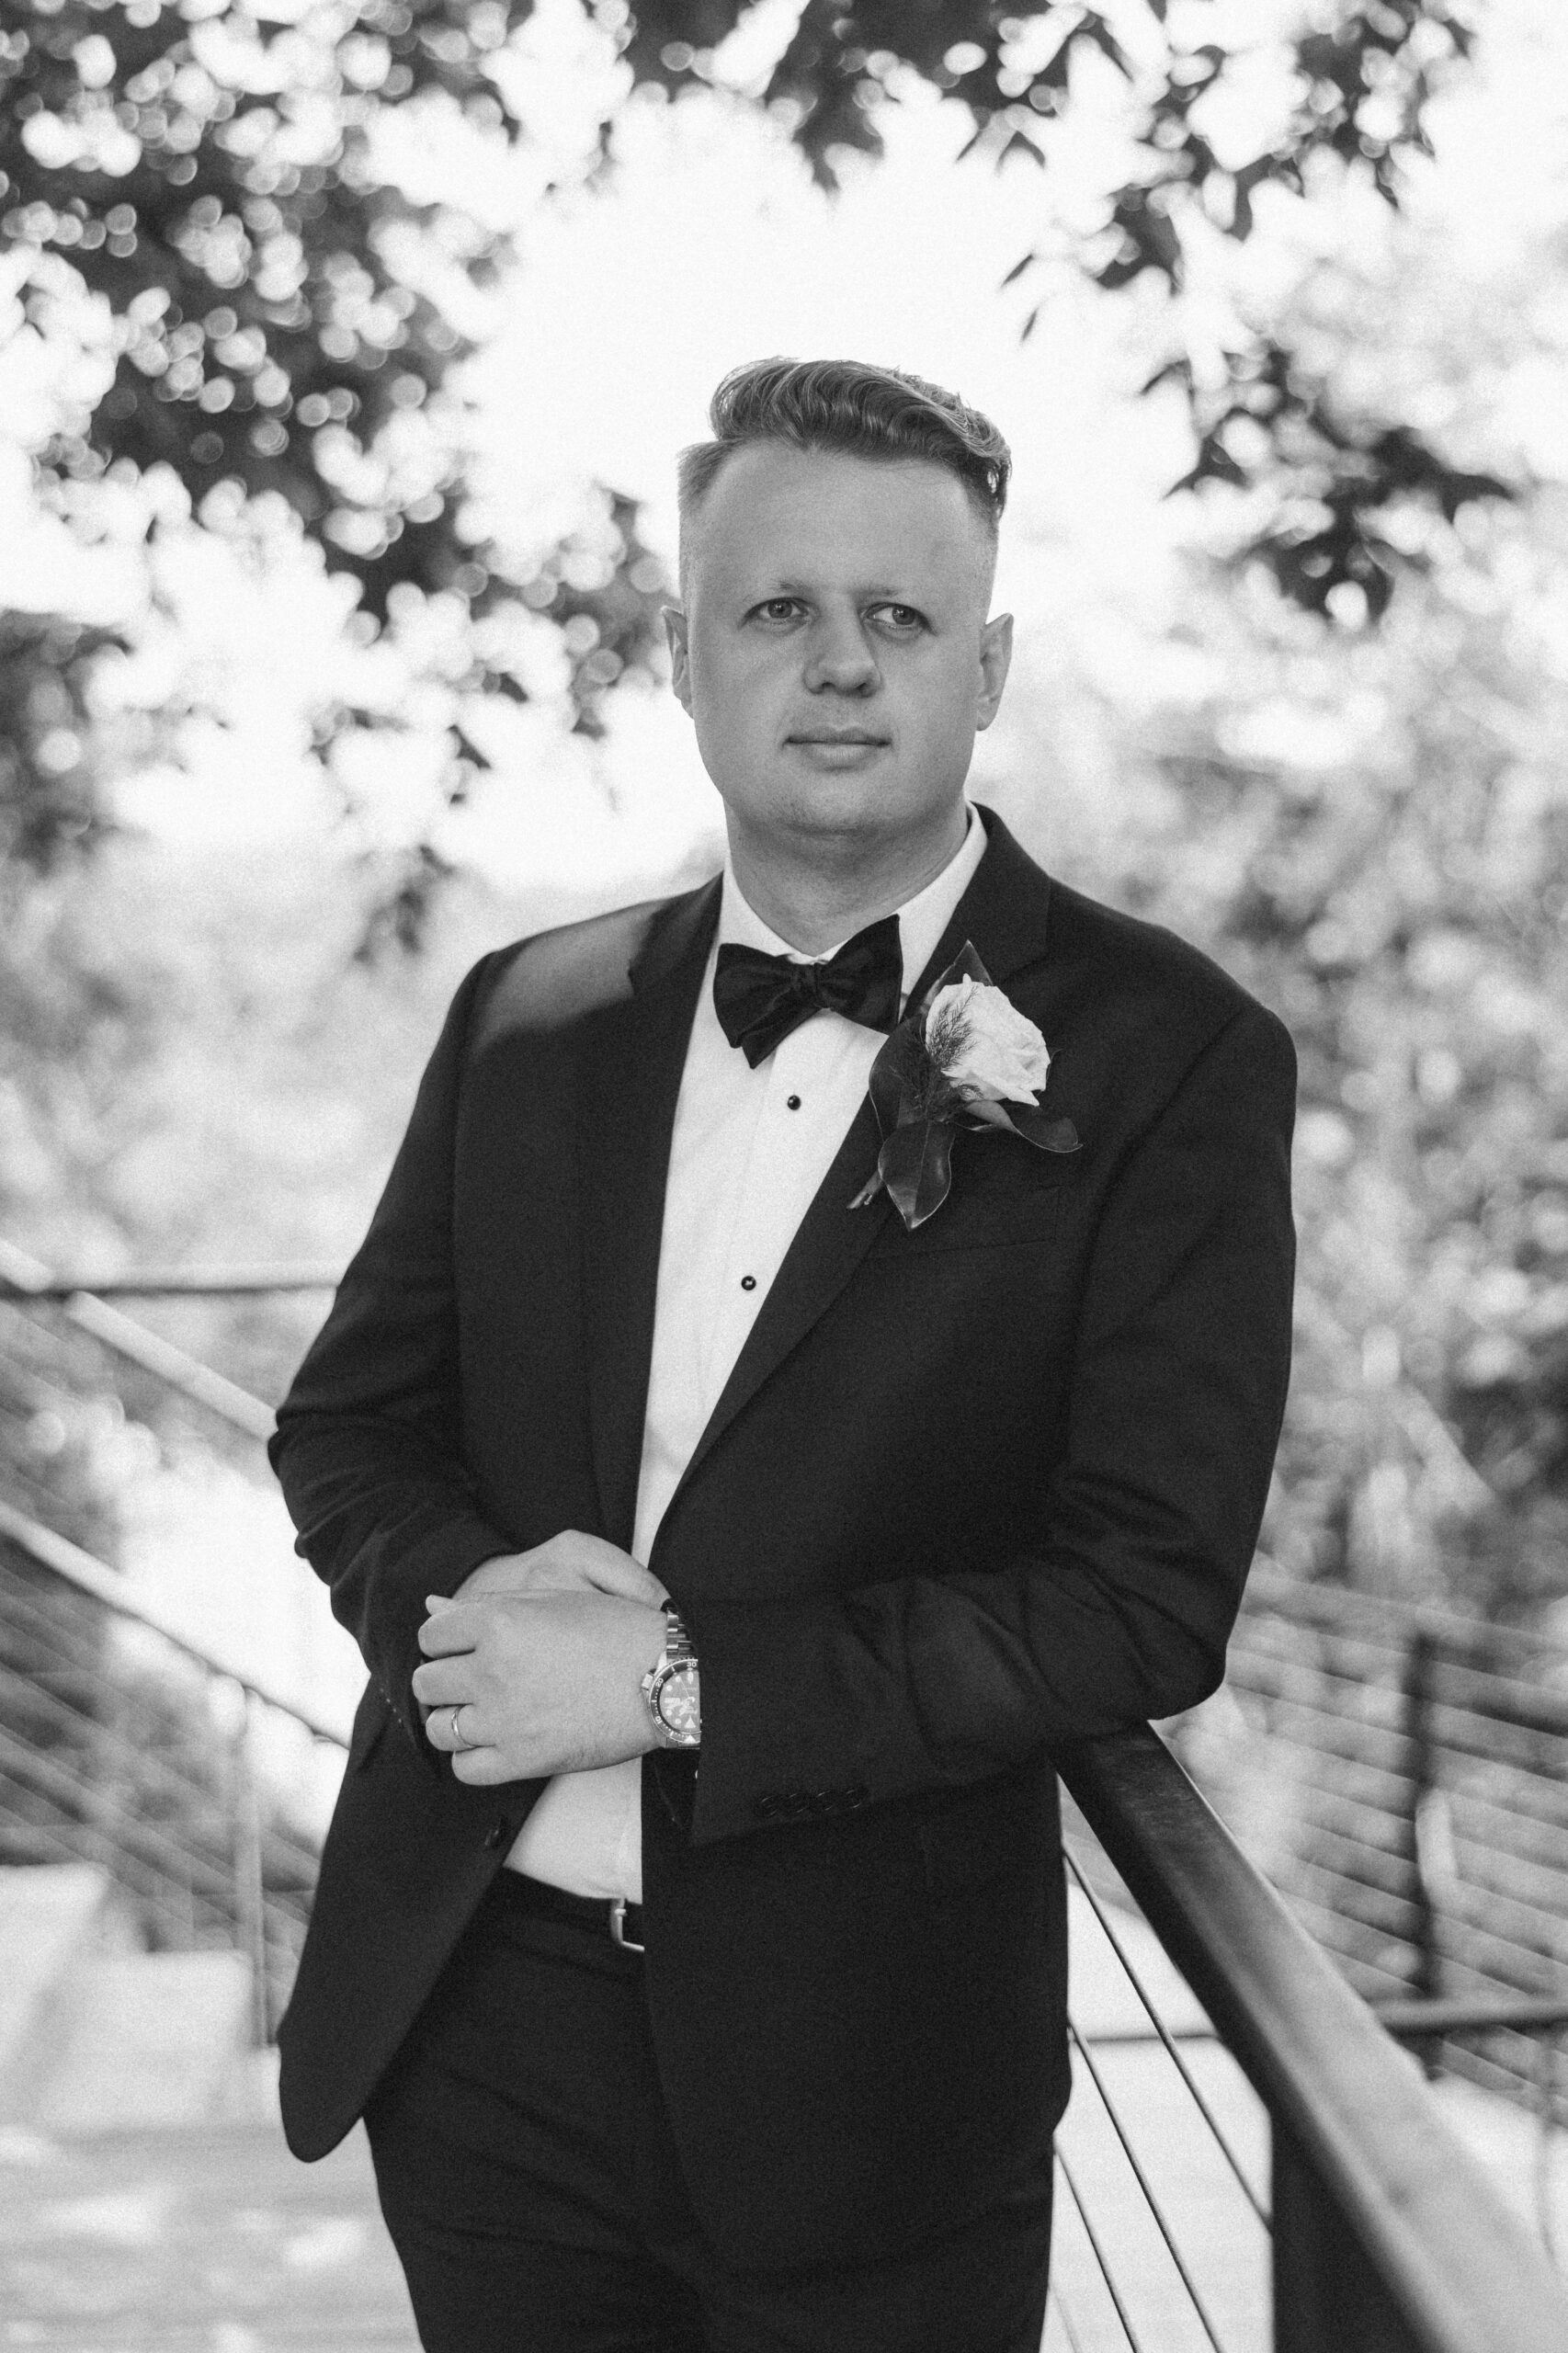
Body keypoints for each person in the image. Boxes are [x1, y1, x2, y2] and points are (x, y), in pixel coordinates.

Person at [268, 356, 1297, 2353]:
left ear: (986, 666)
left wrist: (666, 1682)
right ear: (681, 652)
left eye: (897, 616)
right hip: (476, 2033)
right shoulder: (524, 1015)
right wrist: (469, 1605)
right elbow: (349, 1428)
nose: (836, 665)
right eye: (774, 610)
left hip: (872, 2087)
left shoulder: (1172, 1057)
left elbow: (1139, 1599)